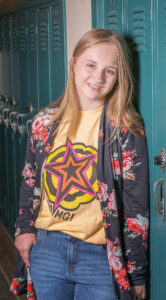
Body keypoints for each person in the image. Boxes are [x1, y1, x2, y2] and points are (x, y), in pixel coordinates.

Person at [13, 29, 149, 300]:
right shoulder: (44, 122)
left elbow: (136, 208)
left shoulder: (123, 130)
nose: (98, 78)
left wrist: (136, 273)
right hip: (47, 248)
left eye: (109, 71)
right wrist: (24, 229)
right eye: (91, 65)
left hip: (99, 257)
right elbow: (30, 180)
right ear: (73, 63)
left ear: (118, 77)